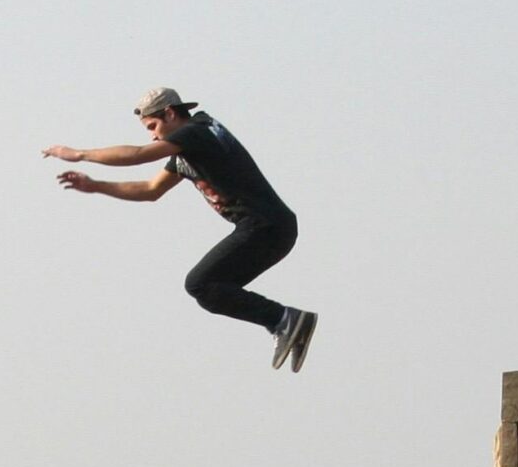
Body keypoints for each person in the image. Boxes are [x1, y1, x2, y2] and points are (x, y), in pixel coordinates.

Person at [45, 87, 317, 371]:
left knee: (201, 284)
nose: (153, 136)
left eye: (153, 126)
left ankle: (284, 319)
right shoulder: (188, 151)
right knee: (211, 291)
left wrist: (78, 154)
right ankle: (283, 322)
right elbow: (150, 189)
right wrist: (96, 186)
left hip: (265, 226)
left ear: (171, 114)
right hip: (272, 228)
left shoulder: (197, 131)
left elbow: (138, 155)